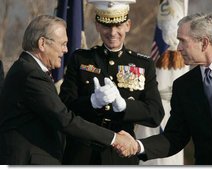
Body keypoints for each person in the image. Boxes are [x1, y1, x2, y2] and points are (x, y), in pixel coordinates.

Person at [0, 15, 138, 165]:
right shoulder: (31, 74)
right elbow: (64, 120)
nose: (66, 50)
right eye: (63, 44)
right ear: (42, 43)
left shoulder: (28, 69)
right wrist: (114, 138)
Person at [116, 13, 212, 165]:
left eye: (183, 41)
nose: (178, 48)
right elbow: (174, 137)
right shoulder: (184, 85)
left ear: (204, 43)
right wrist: (137, 146)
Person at [59, 0, 164, 165]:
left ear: (128, 25)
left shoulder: (143, 64)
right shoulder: (80, 59)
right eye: (107, 26)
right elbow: (64, 106)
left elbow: (156, 114)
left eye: (119, 26)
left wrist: (124, 107)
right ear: (98, 26)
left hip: (121, 156)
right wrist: (91, 102)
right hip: (82, 155)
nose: (113, 32)